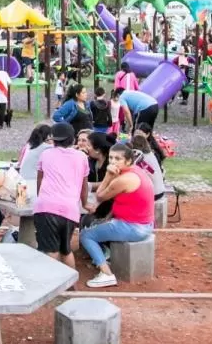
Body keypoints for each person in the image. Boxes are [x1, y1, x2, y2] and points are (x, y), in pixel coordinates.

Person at [81, 142, 155, 288]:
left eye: (117, 159)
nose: (113, 162)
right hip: (144, 223)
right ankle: (105, 255)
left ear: (128, 161)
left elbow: (100, 196)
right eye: (111, 158)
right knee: (98, 223)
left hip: (133, 227)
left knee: (85, 235)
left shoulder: (123, 179)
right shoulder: (135, 171)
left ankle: (106, 274)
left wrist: (108, 175)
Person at [34, 123, 90, 268]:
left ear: (53, 140)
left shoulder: (45, 154)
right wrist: (84, 204)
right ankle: (72, 286)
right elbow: (84, 185)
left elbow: (40, 179)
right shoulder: (82, 157)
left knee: (50, 250)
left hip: (46, 207)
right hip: (69, 210)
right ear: (73, 139)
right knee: (65, 250)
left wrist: (41, 197)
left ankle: (50, 285)